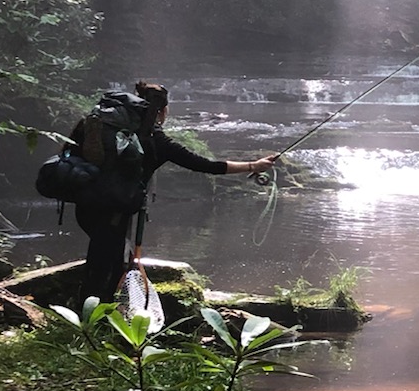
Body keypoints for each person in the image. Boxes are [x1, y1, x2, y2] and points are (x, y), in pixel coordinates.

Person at [74, 80, 277, 306]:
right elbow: (206, 165)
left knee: (106, 260)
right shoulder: (156, 140)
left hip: (85, 201)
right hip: (113, 212)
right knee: (108, 268)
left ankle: (95, 314)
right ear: (162, 111)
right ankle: (94, 320)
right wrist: (253, 165)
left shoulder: (107, 125)